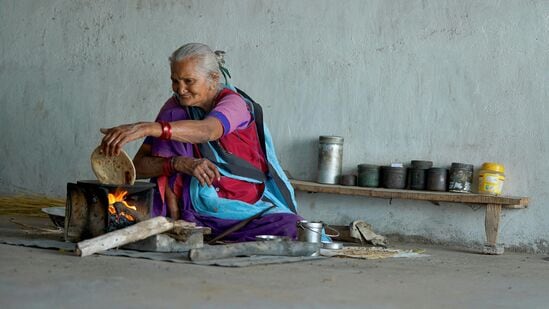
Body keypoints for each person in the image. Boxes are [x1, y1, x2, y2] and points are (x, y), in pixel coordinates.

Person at [100, 43, 302, 241]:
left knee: (289, 227)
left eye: (189, 81)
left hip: (238, 203)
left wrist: (148, 127)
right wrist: (178, 163)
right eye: (175, 81)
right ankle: (179, 221)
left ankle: (190, 226)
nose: (180, 89)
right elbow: (138, 168)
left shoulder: (235, 103)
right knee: (111, 213)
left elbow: (208, 130)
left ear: (213, 79)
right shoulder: (175, 109)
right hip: (184, 206)